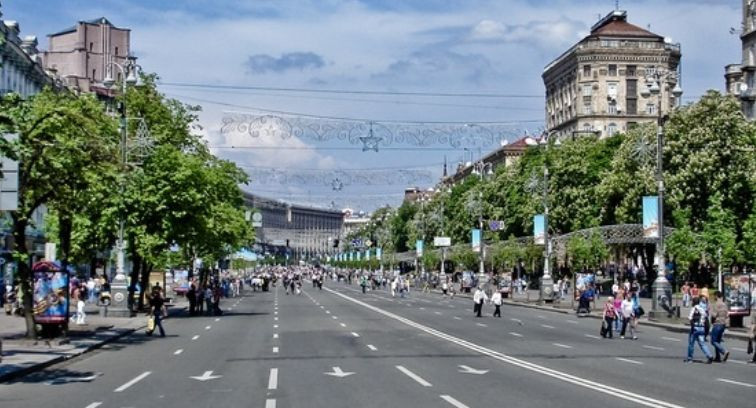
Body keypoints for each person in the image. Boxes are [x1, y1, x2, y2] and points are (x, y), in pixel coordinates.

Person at [686, 297, 713, 363]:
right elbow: (706, 318)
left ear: (694, 302)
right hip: (702, 328)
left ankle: (690, 358)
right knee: (702, 343)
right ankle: (709, 355)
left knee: (691, 343)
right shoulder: (702, 309)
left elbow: (690, 318)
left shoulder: (694, 308)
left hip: (695, 328)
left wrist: (692, 326)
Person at [710, 291, 730, 362]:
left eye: (714, 296)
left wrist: (711, 312)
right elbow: (727, 315)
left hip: (717, 324)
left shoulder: (716, 304)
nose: (713, 297)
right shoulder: (725, 304)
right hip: (723, 324)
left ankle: (724, 351)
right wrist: (727, 325)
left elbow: (714, 315)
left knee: (713, 341)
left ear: (716, 296)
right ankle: (717, 357)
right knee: (718, 341)